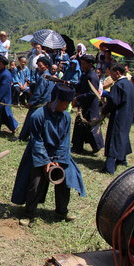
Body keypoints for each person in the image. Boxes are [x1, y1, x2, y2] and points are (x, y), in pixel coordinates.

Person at [12, 85, 85, 227]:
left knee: (65, 180)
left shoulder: (66, 117)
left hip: (59, 154)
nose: (68, 106)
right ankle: (29, 213)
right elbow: (37, 141)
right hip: (39, 153)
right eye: (66, 103)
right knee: (35, 183)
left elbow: (65, 141)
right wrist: (45, 162)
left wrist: (58, 161)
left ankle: (62, 211)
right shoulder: (38, 115)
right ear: (57, 100)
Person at [101, 63, 134, 174]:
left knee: (114, 138)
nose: (110, 75)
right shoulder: (131, 85)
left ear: (117, 72)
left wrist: (105, 110)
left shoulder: (118, 85)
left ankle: (109, 167)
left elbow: (113, 102)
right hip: (128, 116)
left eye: (112, 72)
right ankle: (122, 160)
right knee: (123, 136)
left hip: (118, 116)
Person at [72, 54, 104, 154]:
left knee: (91, 128)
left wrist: (78, 98)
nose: (82, 65)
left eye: (84, 63)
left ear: (90, 64)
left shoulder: (92, 76)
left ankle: (96, 146)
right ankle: (77, 146)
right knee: (80, 127)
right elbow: (80, 86)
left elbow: (92, 93)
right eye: (81, 63)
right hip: (84, 105)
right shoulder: (85, 74)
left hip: (90, 106)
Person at [18, 56, 54, 141]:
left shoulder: (43, 77)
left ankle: (23, 137)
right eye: (37, 65)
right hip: (46, 103)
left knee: (30, 119)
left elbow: (39, 93)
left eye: (40, 65)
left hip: (39, 103)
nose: (38, 67)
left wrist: (31, 102)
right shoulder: (48, 76)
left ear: (46, 66)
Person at [0, 54, 18, 136]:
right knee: (1, 115)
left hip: (3, 98)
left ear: (4, 65)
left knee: (0, 114)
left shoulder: (6, 74)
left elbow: (2, 89)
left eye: (0, 64)